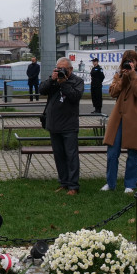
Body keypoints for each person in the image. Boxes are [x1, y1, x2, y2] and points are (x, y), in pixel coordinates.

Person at [102, 50, 137, 193]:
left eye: (132, 60)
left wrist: (133, 75)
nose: (130, 63)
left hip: (134, 119)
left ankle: (130, 184)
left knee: (133, 154)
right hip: (118, 118)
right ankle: (110, 183)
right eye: (127, 60)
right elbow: (112, 92)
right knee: (112, 153)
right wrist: (124, 78)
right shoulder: (119, 75)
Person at [40, 56, 84, 195]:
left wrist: (64, 83)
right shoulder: (54, 80)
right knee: (59, 156)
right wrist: (52, 80)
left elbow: (75, 97)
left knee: (71, 156)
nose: (60, 71)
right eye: (58, 68)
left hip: (69, 125)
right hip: (54, 124)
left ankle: (73, 186)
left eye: (63, 68)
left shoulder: (77, 81)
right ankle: (63, 183)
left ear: (70, 69)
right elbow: (41, 90)